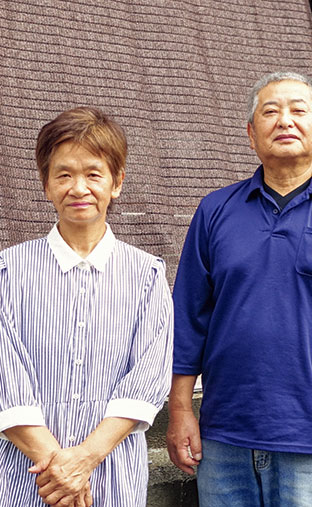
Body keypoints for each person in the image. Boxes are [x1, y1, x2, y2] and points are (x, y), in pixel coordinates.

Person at [167, 71, 312, 507]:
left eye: (298, 110)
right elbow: (187, 319)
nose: (285, 120)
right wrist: (180, 410)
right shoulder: (215, 210)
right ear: (250, 133)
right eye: (270, 111)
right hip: (224, 435)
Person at [0, 107, 173, 507]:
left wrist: (85, 459)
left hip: (112, 476)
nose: (78, 188)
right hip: (27, 479)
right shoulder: (8, 272)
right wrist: (61, 470)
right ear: (46, 184)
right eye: (63, 175)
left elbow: (148, 377)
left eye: (93, 174)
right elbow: (5, 378)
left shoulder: (146, 275)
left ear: (117, 182)